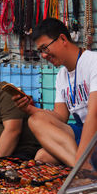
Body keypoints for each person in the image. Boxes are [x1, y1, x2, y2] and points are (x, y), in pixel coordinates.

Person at [13, 18, 97, 167]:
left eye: (45, 48)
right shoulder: (61, 75)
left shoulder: (93, 62)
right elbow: (60, 117)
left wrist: (81, 155)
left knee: (46, 156)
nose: (44, 55)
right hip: (82, 129)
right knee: (41, 150)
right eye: (40, 51)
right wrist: (29, 109)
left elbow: (94, 115)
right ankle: (84, 169)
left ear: (63, 39)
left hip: (93, 129)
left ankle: (82, 167)